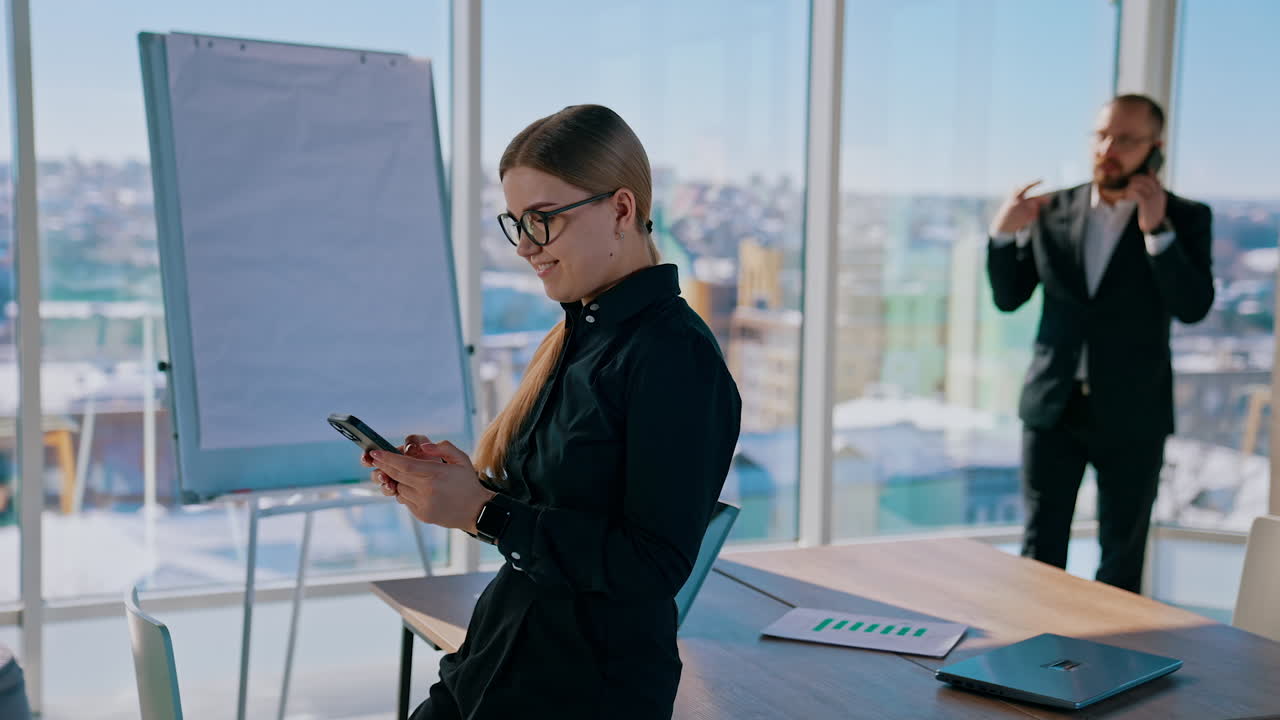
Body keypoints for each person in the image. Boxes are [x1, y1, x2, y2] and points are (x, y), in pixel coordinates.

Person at [362, 104, 742, 719]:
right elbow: (562, 512)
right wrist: (463, 489)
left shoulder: (675, 358)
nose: (525, 248)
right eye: (517, 224)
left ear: (622, 210)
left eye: (542, 221)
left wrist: (486, 514)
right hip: (493, 668)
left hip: (579, 693)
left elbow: (653, 565)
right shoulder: (578, 337)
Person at [987, 94, 1214, 593]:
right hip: (1053, 408)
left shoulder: (1186, 217)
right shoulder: (1051, 209)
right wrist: (1004, 234)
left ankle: (1112, 666)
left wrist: (1158, 232)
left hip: (1134, 414)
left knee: (1120, 559)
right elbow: (1010, 297)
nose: (1109, 148)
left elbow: (1193, 306)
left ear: (1154, 148)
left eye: (1127, 140)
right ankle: (1029, 662)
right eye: (1102, 135)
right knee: (1039, 554)